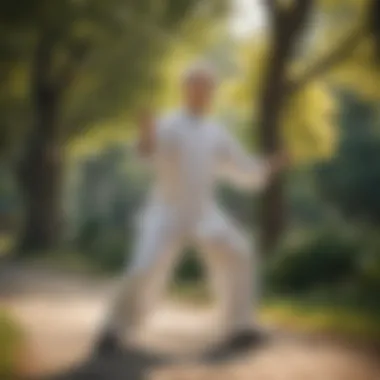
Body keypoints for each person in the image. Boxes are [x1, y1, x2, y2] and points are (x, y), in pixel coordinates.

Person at [94, 62, 289, 357]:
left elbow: (244, 169)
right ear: (185, 90)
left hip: (204, 214)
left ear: (212, 93)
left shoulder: (216, 132)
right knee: (143, 267)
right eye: (196, 85)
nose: (202, 91)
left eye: (207, 87)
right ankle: (113, 331)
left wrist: (270, 166)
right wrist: (146, 135)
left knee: (240, 252)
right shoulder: (170, 124)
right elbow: (148, 153)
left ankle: (240, 327)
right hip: (166, 212)